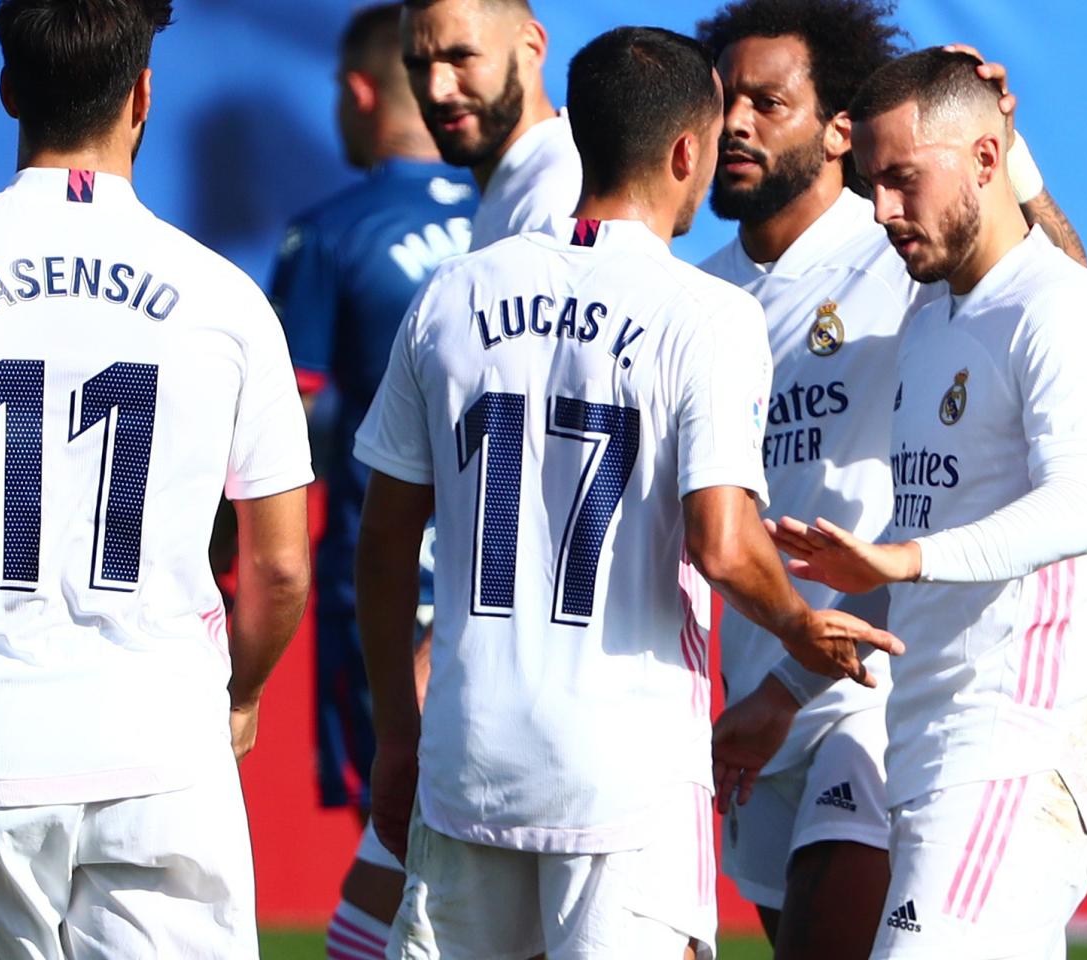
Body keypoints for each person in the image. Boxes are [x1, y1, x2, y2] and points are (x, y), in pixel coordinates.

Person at [352, 26, 900, 960]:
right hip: (626, 775)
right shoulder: (705, 312)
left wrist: (398, 737)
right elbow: (723, 545)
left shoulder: (452, 294)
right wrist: (800, 626)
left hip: (467, 758)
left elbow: (384, 542)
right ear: (687, 152)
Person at [0, 2, 313, 956]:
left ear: (10, 88)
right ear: (142, 96)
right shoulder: (226, 296)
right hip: (167, 752)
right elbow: (283, 566)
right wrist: (242, 694)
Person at [695, 4, 1087, 958]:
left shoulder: (899, 247)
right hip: (760, 688)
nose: (738, 123)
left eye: (769, 101)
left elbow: (1062, 289)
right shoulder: (700, 299)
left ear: (839, 129)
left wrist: (1013, 158)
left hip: (868, 681)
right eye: (725, 101)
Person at [766, 47, 1087, 958]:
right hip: (934, 747)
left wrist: (903, 559)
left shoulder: (1062, 311)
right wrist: (786, 689)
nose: (884, 210)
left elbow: (1078, 507)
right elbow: (919, 535)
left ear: (987, 159)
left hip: (1019, 743)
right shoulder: (935, 315)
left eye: (902, 180)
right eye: (870, 186)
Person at [267, 4, 477, 957]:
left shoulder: (331, 235)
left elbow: (278, 430)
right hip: (515, 585)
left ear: (358, 93)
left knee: (400, 830)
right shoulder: (522, 225)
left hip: (386, 587)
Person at [400, 0, 582, 246]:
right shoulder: (515, 193)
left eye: (460, 57)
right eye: (417, 66)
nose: (437, 90)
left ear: (531, 47)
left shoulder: (558, 202)